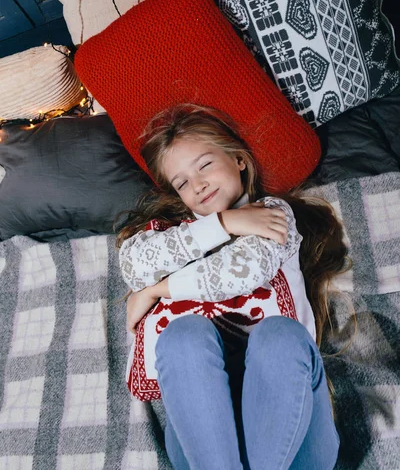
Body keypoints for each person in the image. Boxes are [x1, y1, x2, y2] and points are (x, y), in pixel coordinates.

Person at [116, 104, 349, 470]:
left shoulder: (272, 213)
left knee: (281, 336)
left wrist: (156, 291)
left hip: (293, 424)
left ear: (239, 159)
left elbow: (241, 270)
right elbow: (133, 263)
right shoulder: (170, 238)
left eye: (204, 164)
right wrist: (221, 224)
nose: (198, 184)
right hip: (202, 435)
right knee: (182, 335)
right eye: (181, 182)